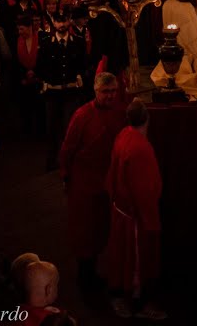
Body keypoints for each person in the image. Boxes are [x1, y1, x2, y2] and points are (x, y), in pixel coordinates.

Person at [59, 72, 126, 292]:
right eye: (106, 92)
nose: (110, 96)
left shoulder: (119, 113)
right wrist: (65, 175)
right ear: (96, 91)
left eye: (113, 91)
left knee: (100, 229)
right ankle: (84, 276)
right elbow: (68, 148)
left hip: (106, 182)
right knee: (84, 231)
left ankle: (93, 272)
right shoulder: (82, 115)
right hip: (84, 183)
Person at [105, 100, 165, 320]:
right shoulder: (141, 148)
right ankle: (137, 305)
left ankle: (120, 297)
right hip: (135, 215)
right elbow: (146, 189)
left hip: (122, 209)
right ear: (147, 118)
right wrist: (150, 219)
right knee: (135, 263)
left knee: (121, 257)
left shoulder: (124, 135)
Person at [37, 9, 89, 171]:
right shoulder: (46, 43)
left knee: (70, 127)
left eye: (64, 21)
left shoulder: (78, 42)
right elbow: (40, 67)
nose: (61, 25)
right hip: (53, 92)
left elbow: (84, 64)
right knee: (51, 128)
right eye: (58, 21)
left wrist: (80, 77)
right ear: (53, 23)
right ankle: (52, 161)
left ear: (69, 22)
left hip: (71, 91)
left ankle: (70, 160)